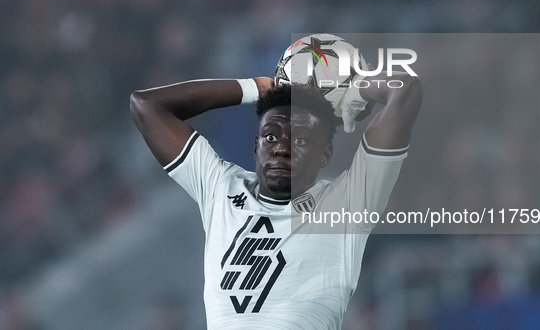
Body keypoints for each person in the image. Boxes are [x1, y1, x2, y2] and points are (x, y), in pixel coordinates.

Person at [130, 57, 422, 329]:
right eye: (271, 136)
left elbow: (405, 90)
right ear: (256, 147)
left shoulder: (348, 202)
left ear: (325, 155)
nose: (282, 148)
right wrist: (259, 88)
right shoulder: (221, 187)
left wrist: (355, 86)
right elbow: (146, 105)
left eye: (301, 139)